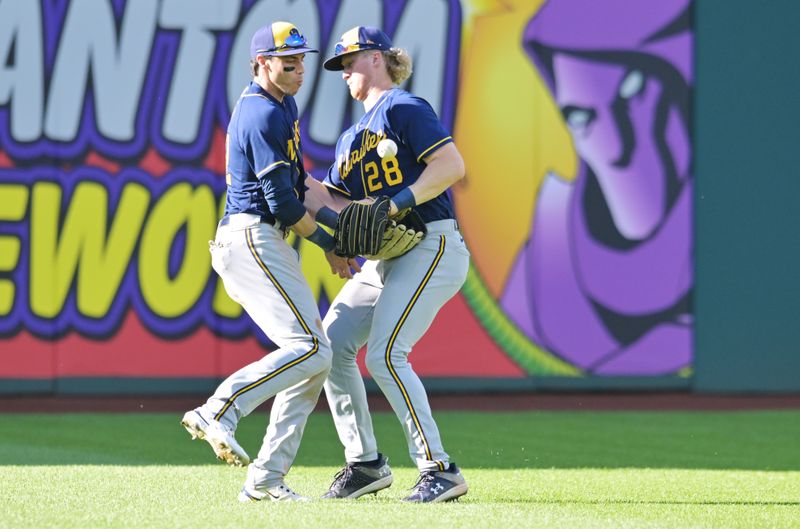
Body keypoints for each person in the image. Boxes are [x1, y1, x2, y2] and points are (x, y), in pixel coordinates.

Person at [180, 21, 358, 503]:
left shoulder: (284, 104)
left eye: (301, 60)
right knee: (312, 348)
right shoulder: (261, 114)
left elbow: (300, 185)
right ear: (260, 64)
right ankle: (220, 408)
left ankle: (265, 479)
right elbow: (282, 204)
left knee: (313, 357)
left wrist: (340, 220)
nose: (299, 69)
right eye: (287, 62)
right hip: (253, 236)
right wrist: (328, 242)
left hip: (264, 238)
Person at [305, 26, 471, 503]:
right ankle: (365, 465)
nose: (343, 72)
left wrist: (396, 203)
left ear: (377, 59)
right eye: (339, 65)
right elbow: (333, 198)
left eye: (350, 61)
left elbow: (451, 166)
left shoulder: (404, 108)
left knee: (385, 355)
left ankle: (439, 469)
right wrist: (293, 174)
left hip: (430, 245)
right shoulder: (351, 138)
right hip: (387, 257)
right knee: (329, 345)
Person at [502, 0, 693, 374]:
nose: (617, 144)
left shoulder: (742, 248)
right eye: (582, 117)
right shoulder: (544, 268)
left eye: (634, 94)